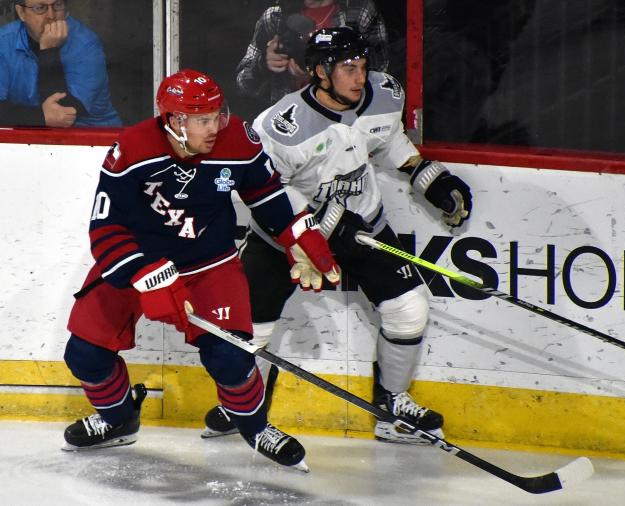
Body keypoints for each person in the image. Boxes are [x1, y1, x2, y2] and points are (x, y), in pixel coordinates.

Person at [202, 27, 472, 444]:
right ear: (320, 72)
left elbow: (388, 140)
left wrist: (425, 176)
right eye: (348, 68)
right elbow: (265, 188)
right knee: (251, 328)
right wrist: (321, 219)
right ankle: (241, 406)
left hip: (362, 225)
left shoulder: (383, 94)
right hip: (284, 239)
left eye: (363, 66)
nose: (360, 76)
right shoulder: (281, 125)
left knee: (410, 309)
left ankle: (393, 408)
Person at [61, 68, 340, 471]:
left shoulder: (237, 141)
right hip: (140, 260)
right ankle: (118, 417)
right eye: (203, 119)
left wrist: (299, 234)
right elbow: (105, 228)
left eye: (218, 115)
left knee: (230, 357)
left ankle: (256, 426)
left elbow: (265, 194)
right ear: (175, 121)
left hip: (208, 263)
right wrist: (141, 274)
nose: (216, 126)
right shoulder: (132, 150)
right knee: (84, 353)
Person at [236, 0, 388, 107]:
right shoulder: (275, 17)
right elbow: (243, 83)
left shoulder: (359, 11)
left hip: (345, 124)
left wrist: (330, 71)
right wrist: (264, 63)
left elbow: (380, 76)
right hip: (291, 125)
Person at [0, 0, 120, 127]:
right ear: (21, 12)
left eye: (57, 5)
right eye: (40, 8)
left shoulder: (86, 44)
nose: (51, 16)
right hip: (31, 137)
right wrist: (40, 117)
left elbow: (64, 112)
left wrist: (49, 51)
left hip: (91, 136)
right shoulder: (4, 42)